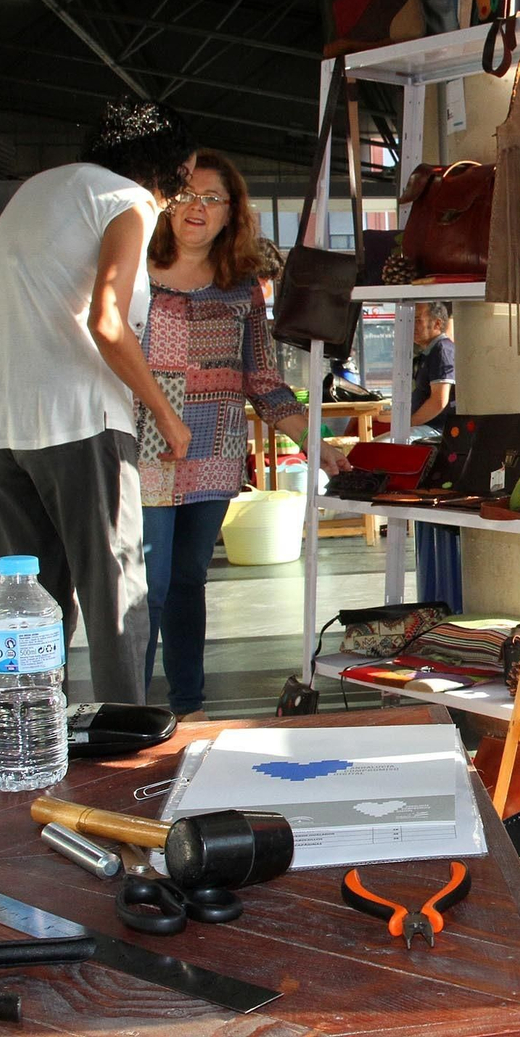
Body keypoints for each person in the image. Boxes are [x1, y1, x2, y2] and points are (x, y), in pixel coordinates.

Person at [0, 99, 196, 705]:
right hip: (77, 418)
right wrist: (164, 415)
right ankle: (126, 738)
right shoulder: (127, 201)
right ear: (166, 166)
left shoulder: (36, 190)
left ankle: (26, 726)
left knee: (27, 597)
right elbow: (108, 323)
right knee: (115, 588)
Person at [139, 149, 350, 719]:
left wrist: (316, 440)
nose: (197, 208)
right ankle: (127, 705)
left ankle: (187, 705)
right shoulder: (134, 273)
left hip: (213, 451)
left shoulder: (242, 288)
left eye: (212, 198)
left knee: (186, 580)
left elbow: (264, 382)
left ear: (232, 212)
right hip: (143, 450)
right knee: (145, 586)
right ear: (165, 204)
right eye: (186, 195)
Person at [409, 301, 462, 612]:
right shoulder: (428, 353)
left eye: (420, 319)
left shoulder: (442, 349)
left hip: (434, 433)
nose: (415, 325)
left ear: (439, 325)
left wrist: (406, 423)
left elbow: (439, 401)